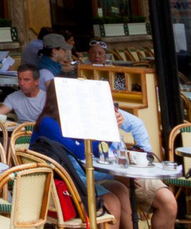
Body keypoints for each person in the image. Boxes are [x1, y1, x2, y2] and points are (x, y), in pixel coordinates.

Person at [31, 80, 130, 229]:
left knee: (120, 189)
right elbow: (78, 152)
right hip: (57, 182)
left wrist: (110, 128)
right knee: (112, 201)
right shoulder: (48, 122)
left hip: (74, 174)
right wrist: (108, 131)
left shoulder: (70, 119)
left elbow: (95, 150)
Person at [115, 106, 177, 229]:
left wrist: (144, 154)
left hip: (125, 169)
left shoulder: (105, 107)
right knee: (120, 193)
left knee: (168, 201)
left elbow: (137, 124)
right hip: (101, 174)